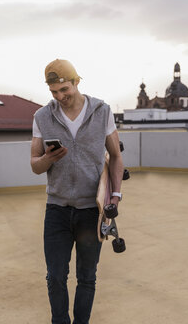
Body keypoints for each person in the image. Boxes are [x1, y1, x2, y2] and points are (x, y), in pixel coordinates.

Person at [30, 59, 124, 324]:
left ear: (76, 82)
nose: (60, 97)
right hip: (57, 210)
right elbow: (35, 165)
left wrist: (115, 196)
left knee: (87, 277)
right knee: (55, 277)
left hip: (90, 212)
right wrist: (49, 158)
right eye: (54, 92)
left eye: (64, 89)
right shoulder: (41, 117)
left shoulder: (102, 111)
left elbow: (116, 157)